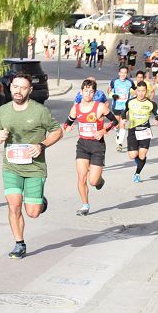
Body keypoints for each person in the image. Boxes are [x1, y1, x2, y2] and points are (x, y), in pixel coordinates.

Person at [0, 73, 63, 259]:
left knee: (33, 212)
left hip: (34, 168)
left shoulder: (39, 111)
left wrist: (42, 145)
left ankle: (39, 200)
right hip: (11, 167)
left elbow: (57, 131)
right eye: (15, 86)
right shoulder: (3, 111)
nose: (18, 91)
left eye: (23, 88)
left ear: (30, 90)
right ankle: (19, 244)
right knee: (14, 206)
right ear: (10, 87)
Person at [63, 79, 116, 215]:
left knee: (93, 181)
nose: (88, 94)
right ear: (81, 92)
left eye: (91, 92)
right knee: (81, 177)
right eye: (86, 91)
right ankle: (85, 205)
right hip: (82, 145)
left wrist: (103, 131)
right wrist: (67, 127)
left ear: (94, 93)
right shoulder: (76, 108)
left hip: (97, 145)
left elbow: (115, 121)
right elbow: (67, 122)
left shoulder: (99, 107)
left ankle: (100, 180)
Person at [125, 81, 158, 183]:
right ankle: (140, 160)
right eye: (139, 91)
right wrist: (123, 118)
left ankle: (137, 174)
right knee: (132, 155)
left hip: (145, 130)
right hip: (133, 130)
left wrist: (157, 119)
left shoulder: (151, 104)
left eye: (143, 91)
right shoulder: (130, 102)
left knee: (142, 154)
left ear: (146, 91)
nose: (141, 93)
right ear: (136, 91)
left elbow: (157, 114)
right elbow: (124, 111)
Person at [109, 66, 135, 152]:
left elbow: (136, 90)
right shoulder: (114, 81)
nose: (123, 74)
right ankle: (117, 133)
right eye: (122, 72)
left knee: (122, 124)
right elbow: (109, 90)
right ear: (119, 73)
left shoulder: (130, 82)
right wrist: (113, 94)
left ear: (127, 73)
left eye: (125, 72)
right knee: (116, 124)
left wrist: (133, 98)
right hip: (116, 106)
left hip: (125, 107)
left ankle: (120, 144)